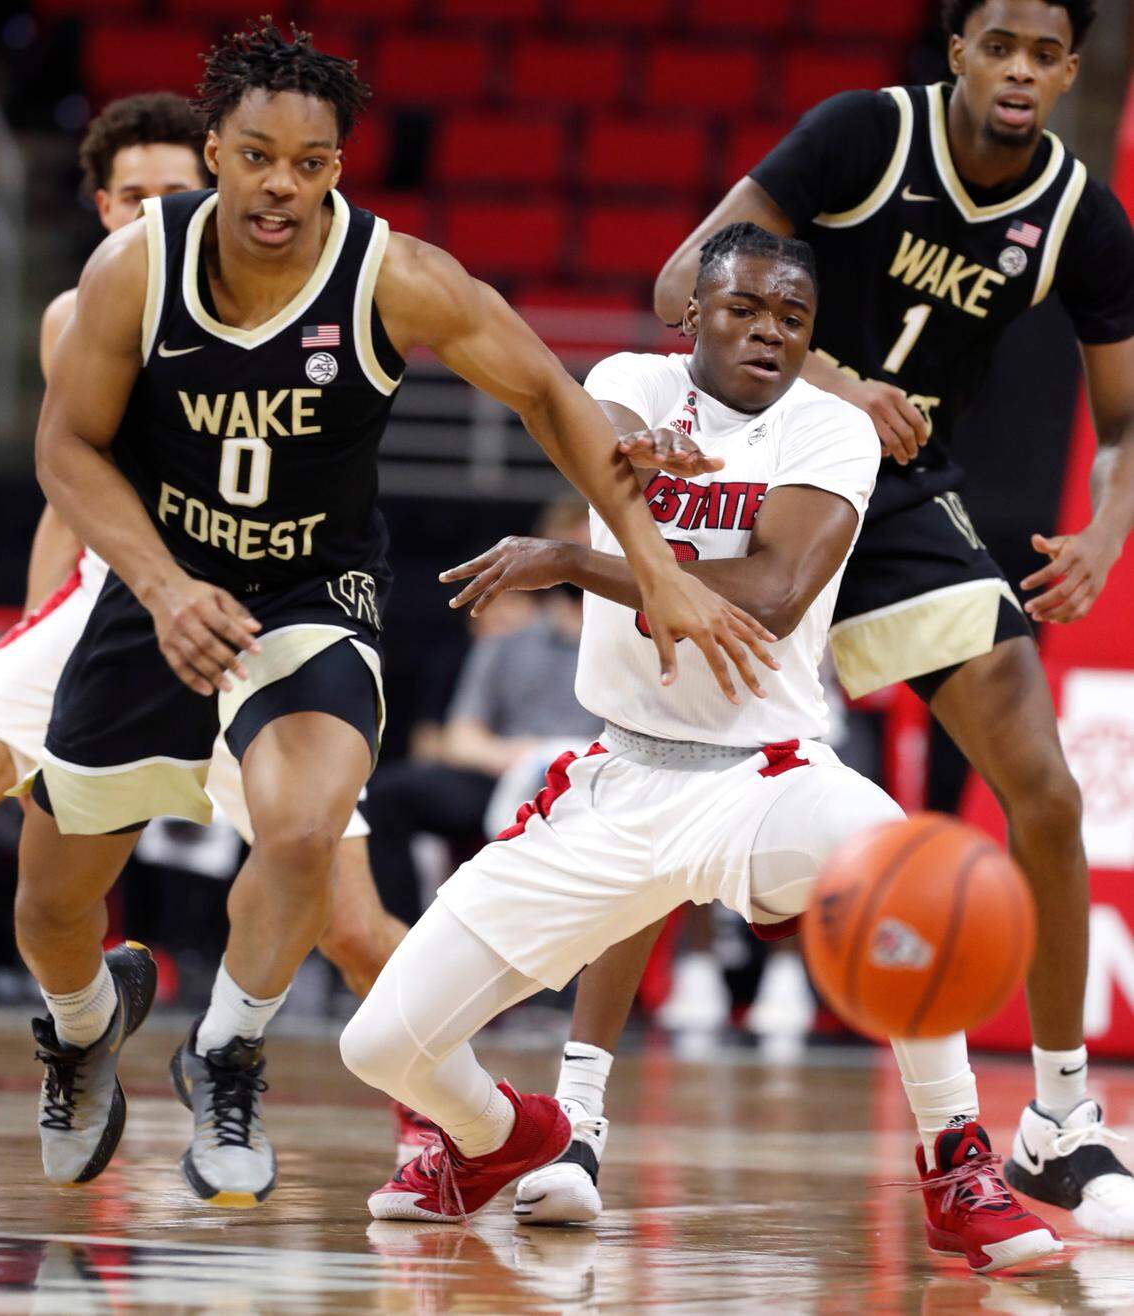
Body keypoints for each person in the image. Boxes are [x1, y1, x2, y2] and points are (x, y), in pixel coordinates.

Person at [13, 19, 767, 1210]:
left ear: (337, 168)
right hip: (162, 586)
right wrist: (161, 584)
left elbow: (548, 396)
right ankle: (80, 1021)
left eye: (309, 164)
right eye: (258, 156)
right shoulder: (134, 271)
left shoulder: (394, 273)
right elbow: (65, 448)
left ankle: (230, 1052)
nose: (281, 186)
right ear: (215, 150)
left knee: (305, 826)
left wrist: (656, 563)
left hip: (312, 592)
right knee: (52, 907)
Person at [339, 224, 1062, 1273]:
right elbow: (602, 432)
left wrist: (571, 560)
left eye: (793, 319)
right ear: (693, 316)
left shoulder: (832, 430)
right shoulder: (633, 379)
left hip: (764, 780)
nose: (769, 332)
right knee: (379, 1046)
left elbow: (771, 596)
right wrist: (618, 459)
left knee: (908, 864)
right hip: (619, 776)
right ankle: (508, 1137)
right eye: (745, 310)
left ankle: (956, 1164)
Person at [526, 0, 1134, 1244]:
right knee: (663, 784)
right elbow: (675, 283)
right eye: (998, 46)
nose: (1019, 73)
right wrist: (844, 386)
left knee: (1048, 792)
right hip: (770, 466)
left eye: (1043, 54)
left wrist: (1104, 536)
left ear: (1070, 71)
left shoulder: (1079, 212)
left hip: (903, 502)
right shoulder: (864, 135)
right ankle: (578, 1114)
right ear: (957, 50)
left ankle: (1062, 1122)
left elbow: (1122, 422)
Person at [0, 89, 423, 1155]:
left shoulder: (301, 286)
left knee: (356, 923)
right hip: (116, 599)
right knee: (39, 862)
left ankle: (440, 1114)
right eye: (130, 195)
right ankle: (85, 1020)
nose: (151, 211)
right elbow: (67, 487)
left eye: (171, 192)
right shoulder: (88, 308)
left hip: (267, 608)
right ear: (100, 207)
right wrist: (38, 630)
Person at [365, 497, 601, 923]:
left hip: (596, 782)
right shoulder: (508, 638)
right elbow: (461, 737)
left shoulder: (636, 638)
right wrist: (520, 756)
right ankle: (398, 943)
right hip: (506, 775)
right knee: (385, 797)